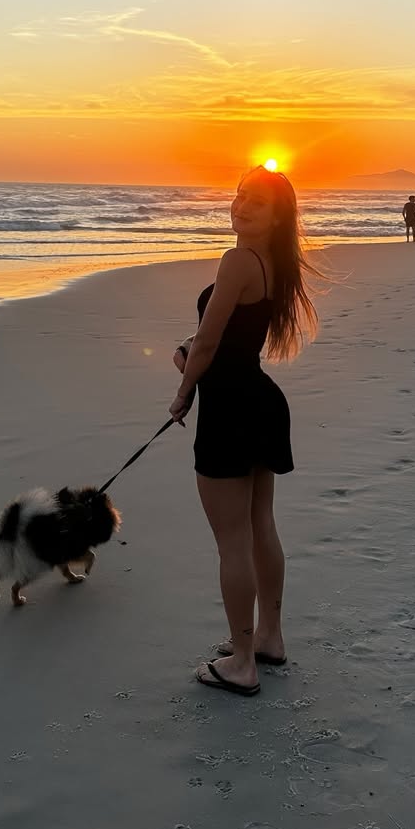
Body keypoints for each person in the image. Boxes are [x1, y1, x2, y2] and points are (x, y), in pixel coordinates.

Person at [169, 166, 317, 697]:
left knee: (233, 542)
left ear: (277, 216)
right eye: (238, 195)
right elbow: (229, 340)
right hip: (260, 402)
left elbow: (209, 344)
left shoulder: (237, 261)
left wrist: (183, 388)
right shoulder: (276, 263)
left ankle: (242, 662)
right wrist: (193, 356)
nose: (241, 206)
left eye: (256, 201)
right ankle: (269, 638)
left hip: (229, 409)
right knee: (260, 527)